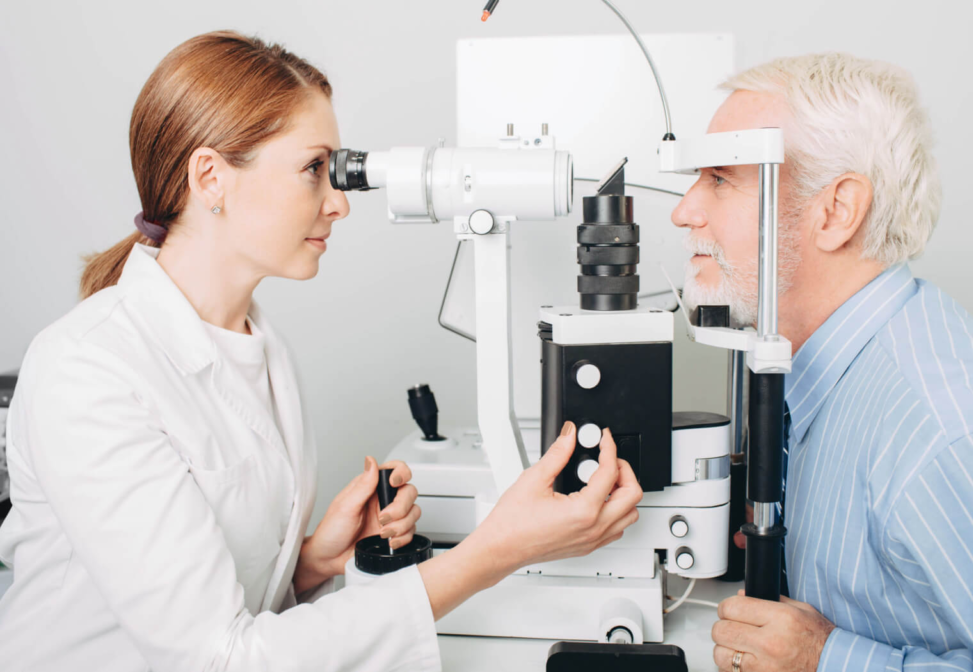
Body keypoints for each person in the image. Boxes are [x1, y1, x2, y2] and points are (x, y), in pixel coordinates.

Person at [0, 31, 643, 671]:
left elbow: (224, 602)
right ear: (210, 177)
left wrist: (312, 563)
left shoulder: (263, 347)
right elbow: (217, 659)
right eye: (315, 169)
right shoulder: (89, 371)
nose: (338, 203)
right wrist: (493, 552)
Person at [672, 53, 973, 671]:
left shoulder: (946, 432)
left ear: (835, 212)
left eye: (721, 179)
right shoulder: (817, 378)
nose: (685, 210)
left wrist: (824, 661)